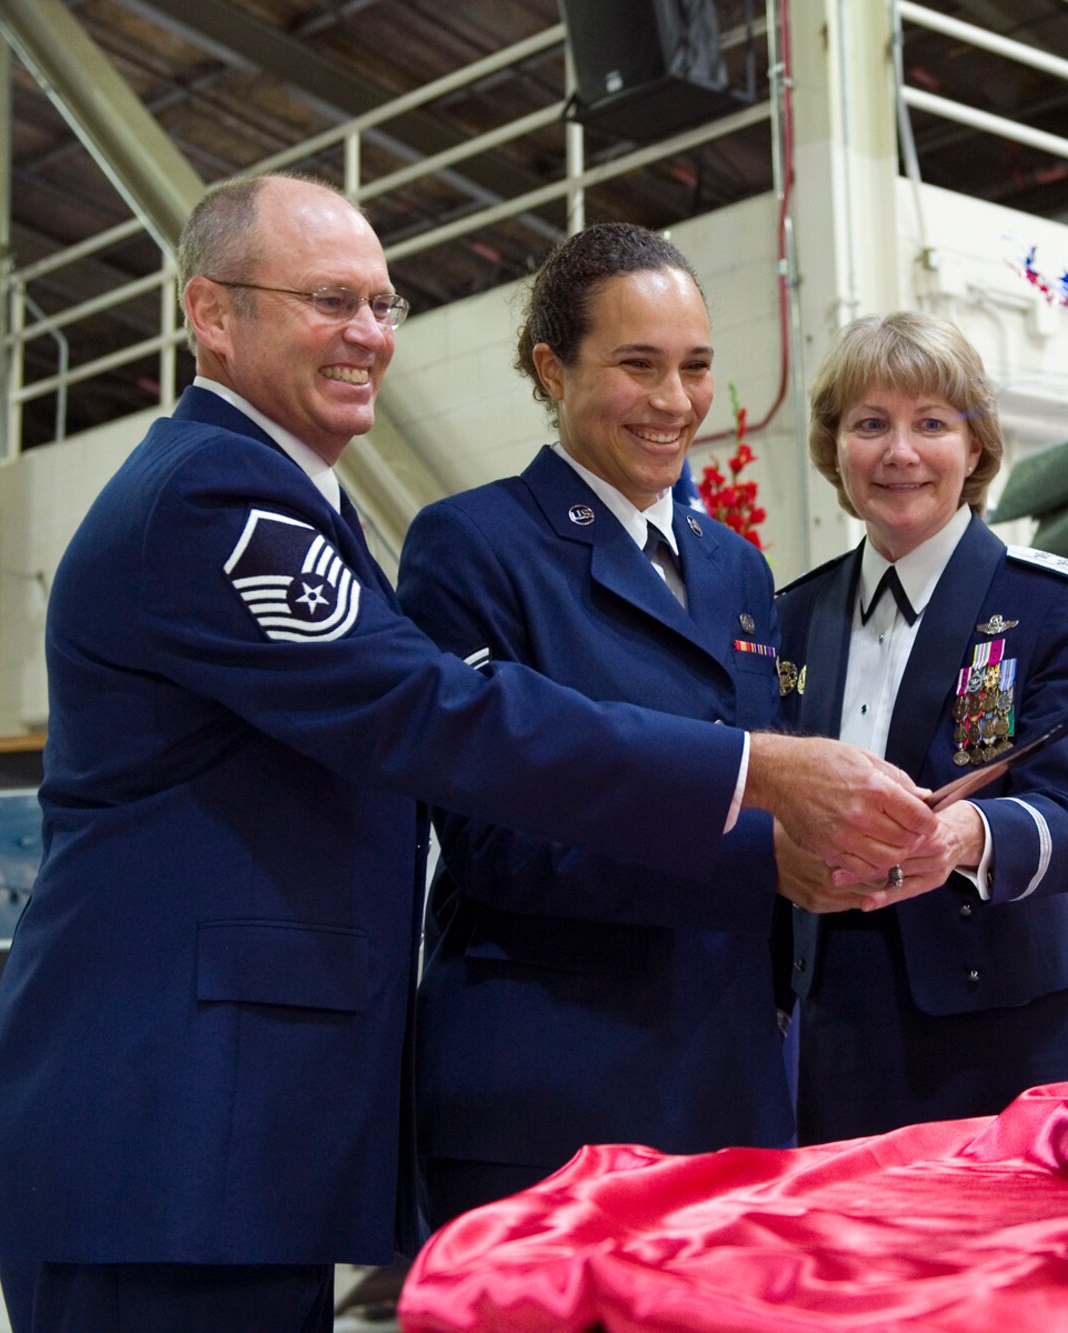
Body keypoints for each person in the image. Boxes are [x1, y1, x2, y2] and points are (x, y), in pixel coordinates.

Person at [0, 174, 932, 1333]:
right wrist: (753, 776)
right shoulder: (218, 499)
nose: (367, 332)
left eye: (381, 302)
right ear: (213, 313)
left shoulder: (286, 498)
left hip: (237, 1126)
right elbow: (438, 715)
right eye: (327, 299)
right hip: (170, 1120)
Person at [397, 223, 833, 1222]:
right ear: (552, 368)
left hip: (726, 1080)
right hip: (551, 1081)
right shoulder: (471, 548)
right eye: (637, 366)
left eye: (694, 367)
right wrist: (765, 856)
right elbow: (492, 838)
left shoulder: (736, 570)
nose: (674, 402)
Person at [775, 311, 1068, 1144]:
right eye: (870, 424)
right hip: (842, 1038)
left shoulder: (1053, 602)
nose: (900, 452)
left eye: (931, 422)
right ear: (835, 449)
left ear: (976, 450)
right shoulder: (791, 614)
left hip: (1011, 1033)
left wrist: (966, 832)